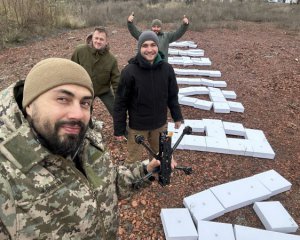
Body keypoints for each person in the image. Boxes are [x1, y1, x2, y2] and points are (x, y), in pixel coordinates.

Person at [0, 58, 162, 240]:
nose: (77, 114)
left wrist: (145, 171)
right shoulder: (7, 174)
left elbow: (109, 184)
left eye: (85, 103)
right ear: (29, 105)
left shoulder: (87, 139)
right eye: (62, 99)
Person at [113, 31, 183, 164]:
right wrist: (119, 129)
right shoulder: (129, 71)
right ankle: (131, 181)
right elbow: (120, 102)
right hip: (137, 127)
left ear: (158, 46)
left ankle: (155, 175)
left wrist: (177, 116)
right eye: (145, 45)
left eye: (153, 45)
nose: (149, 49)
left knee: (160, 157)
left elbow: (173, 96)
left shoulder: (167, 69)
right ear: (139, 48)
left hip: (160, 125)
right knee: (132, 160)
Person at [71, 26, 120, 117]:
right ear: (92, 38)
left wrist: (120, 98)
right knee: (85, 112)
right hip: (85, 88)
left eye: (101, 39)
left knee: (116, 110)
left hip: (104, 90)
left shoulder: (112, 59)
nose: (98, 41)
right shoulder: (80, 51)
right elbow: (72, 70)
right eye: (96, 38)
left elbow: (116, 81)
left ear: (106, 42)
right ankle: (89, 127)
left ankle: (123, 130)